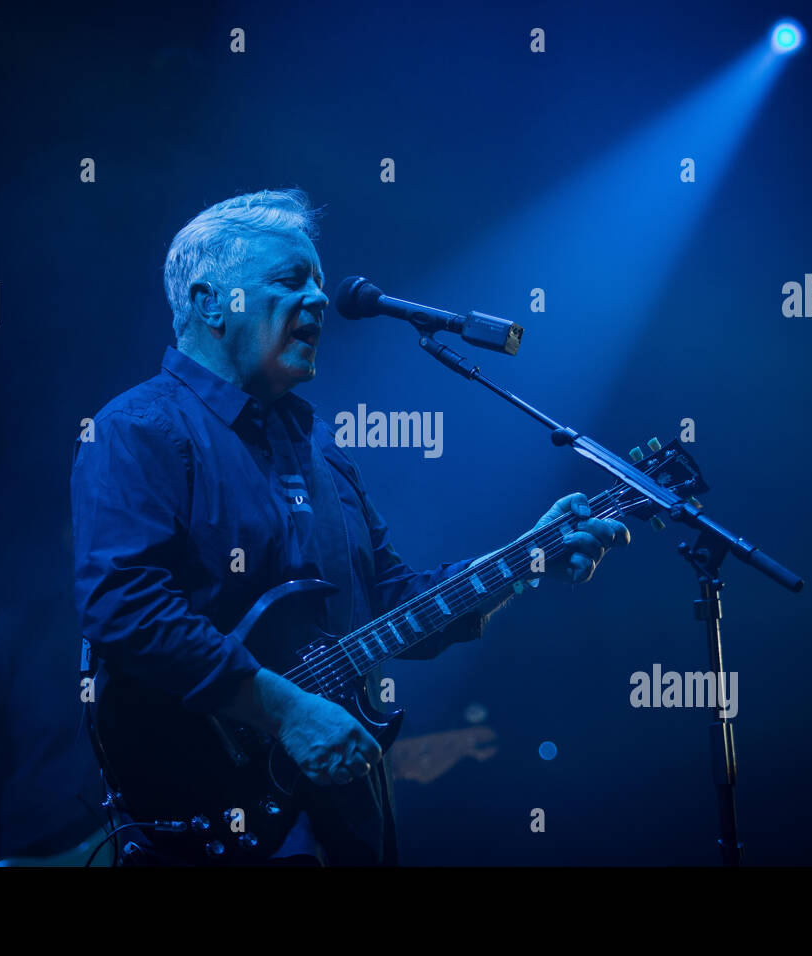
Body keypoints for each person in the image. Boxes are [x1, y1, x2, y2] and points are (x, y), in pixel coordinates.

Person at [70, 188, 628, 865]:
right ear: (209, 302)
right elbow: (123, 607)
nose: (317, 300)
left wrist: (529, 556)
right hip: (207, 824)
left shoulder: (319, 445)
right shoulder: (139, 428)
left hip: (341, 824)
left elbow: (394, 600)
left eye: (320, 283)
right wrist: (285, 711)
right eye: (290, 280)